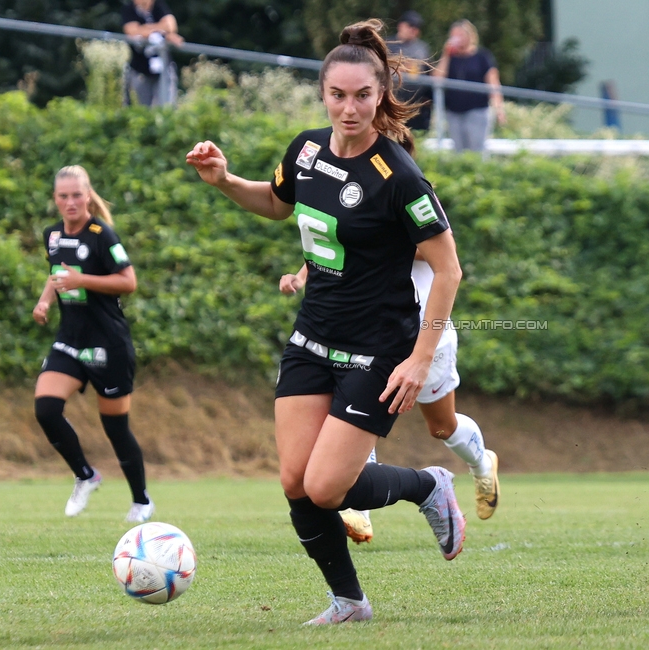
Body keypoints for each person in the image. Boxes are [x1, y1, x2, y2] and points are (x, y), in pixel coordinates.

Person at [186, 19, 466, 625]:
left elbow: (448, 270)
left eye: (362, 95)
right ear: (323, 94)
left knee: (326, 488)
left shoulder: (400, 177)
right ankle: (349, 602)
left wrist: (420, 358)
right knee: (294, 480)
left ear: (379, 94)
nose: (349, 107)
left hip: (378, 350)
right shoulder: (306, 150)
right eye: (337, 95)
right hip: (312, 339)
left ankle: (428, 486)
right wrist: (226, 181)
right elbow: (276, 203)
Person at [280, 255, 500, 543]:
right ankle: (357, 510)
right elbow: (336, 241)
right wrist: (301, 276)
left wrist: (383, 235)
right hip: (369, 335)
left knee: (441, 426)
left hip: (426, 334)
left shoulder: (411, 210)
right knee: (350, 409)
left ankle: (483, 464)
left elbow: (439, 253)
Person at [32, 165, 154, 524]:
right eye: (63, 196)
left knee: (115, 427)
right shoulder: (52, 235)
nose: (70, 202)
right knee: (46, 409)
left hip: (109, 343)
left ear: (88, 196)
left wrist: (82, 278)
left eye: (76, 195)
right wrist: (44, 301)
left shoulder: (102, 234)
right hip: (69, 339)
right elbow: (57, 275)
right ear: (55, 199)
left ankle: (141, 500)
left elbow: (128, 281)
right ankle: (86, 475)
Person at [431, 19, 505, 153]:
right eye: (453, 35)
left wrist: (499, 108)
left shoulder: (482, 56)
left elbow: (493, 83)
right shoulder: (450, 58)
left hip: (477, 111)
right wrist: (446, 54)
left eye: (459, 35)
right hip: (454, 112)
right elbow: (437, 79)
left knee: (476, 151)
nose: (456, 39)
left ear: (470, 36)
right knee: (458, 153)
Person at [121, 0, 184, 107]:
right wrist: (161, 30)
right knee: (141, 111)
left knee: (166, 108)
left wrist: (145, 29)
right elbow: (131, 31)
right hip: (140, 70)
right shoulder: (129, 9)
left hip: (164, 68)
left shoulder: (159, 6)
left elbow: (171, 26)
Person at [386, 10, 432, 131]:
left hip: (416, 104)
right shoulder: (387, 44)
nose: (414, 30)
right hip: (391, 102)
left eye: (417, 27)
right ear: (401, 25)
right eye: (411, 26)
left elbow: (428, 74)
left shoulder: (422, 48)